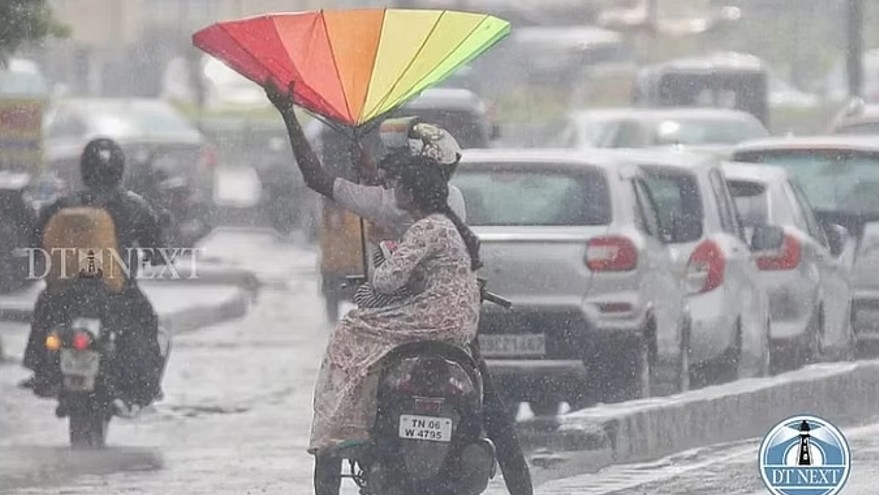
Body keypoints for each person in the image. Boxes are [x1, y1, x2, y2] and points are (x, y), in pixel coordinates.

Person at [265, 83, 533, 495]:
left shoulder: (409, 213)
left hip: (419, 319)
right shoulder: (445, 205)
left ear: (413, 184)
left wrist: (287, 113)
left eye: (400, 171)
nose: (391, 176)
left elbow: (386, 274)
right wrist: (373, 170)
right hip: (454, 326)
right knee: (493, 414)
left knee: (349, 336)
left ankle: (338, 431)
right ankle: (518, 481)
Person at [311, 159, 481, 493]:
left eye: (398, 185)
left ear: (413, 194)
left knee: (350, 329)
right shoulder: (446, 225)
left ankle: (341, 422)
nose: (393, 191)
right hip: (457, 322)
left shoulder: (426, 227)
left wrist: (382, 261)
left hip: (436, 317)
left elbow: (387, 282)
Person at [20, 138, 168, 412]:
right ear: (120, 170)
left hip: (65, 291)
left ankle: (41, 372)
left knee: (43, 308)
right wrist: (155, 254)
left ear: (84, 169)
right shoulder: (134, 206)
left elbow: (35, 242)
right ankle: (144, 384)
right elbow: (156, 251)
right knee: (146, 321)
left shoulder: (60, 204)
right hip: (115, 292)